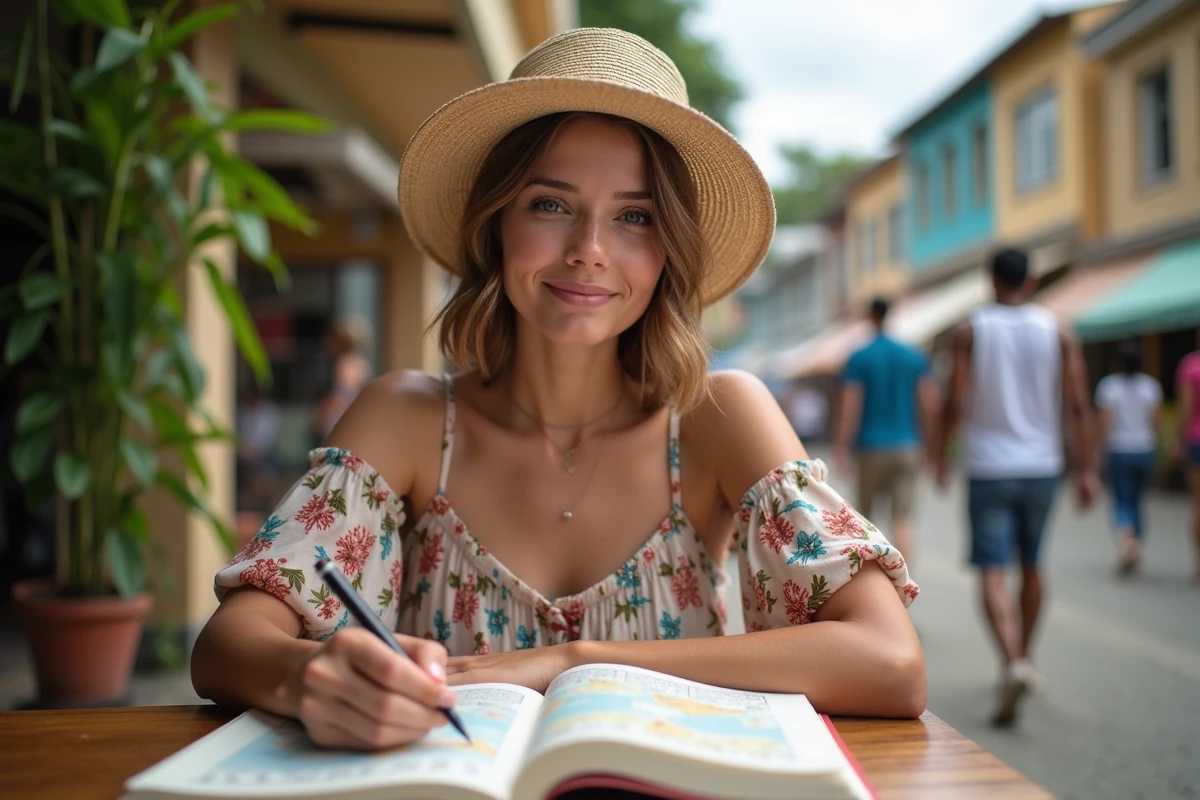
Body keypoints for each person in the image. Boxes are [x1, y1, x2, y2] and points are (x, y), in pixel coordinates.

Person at [191, 27, 923, 752]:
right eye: (549, 204)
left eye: (634, 217)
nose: (588, 251)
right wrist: (310, 676)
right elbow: (226, 646)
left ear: (669, 251)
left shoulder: (717, 418)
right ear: (497, 223)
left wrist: (574, 662)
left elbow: (891, 663)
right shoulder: (407, 418)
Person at [936, 247, 1098, 727]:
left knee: (991, 568)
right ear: (1031, 283)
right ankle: (1024, 658)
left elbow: (957, 400)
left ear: (991, 281)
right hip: (1042, 466)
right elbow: (1078, 403)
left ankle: (1011, 662)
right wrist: (1087, 468)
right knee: (1033, 563)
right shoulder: (1059, 331)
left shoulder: (971, 330)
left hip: (988, 467)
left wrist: (942, 456)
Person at [834, 297, 938, 572]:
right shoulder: (913, 356)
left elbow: (850, 407)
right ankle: (904, 587)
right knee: (902, 519)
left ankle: (871, 586)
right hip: (907, 446)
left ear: (870, 315)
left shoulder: (859, 357)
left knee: (865, 521)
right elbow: (928, 405)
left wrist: (841, 446)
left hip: (870, 447)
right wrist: (932, 446)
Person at [1095, 341, 1162, 575]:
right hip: (1144, 449)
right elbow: (1156, 423)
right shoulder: (1150, 387)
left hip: (1119, 449)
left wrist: (1098, 451)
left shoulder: (1109, 386)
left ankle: (1128, 543)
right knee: (1137, 501)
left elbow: (1105, 422)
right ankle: (1136, 543)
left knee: (1122, 500)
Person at [311, 315, 374, 446]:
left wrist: (320, 418)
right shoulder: (360, 363)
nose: (327, 342)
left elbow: (340, 396)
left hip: (338, 426)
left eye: (332, 338)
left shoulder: (346, 365)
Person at [1176, 335, 1200, 581]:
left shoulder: (1191, 366)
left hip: (1196, 440)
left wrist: (1178, 441)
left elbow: (1186, 408)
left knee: (1198, 504)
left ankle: (1198, 563)